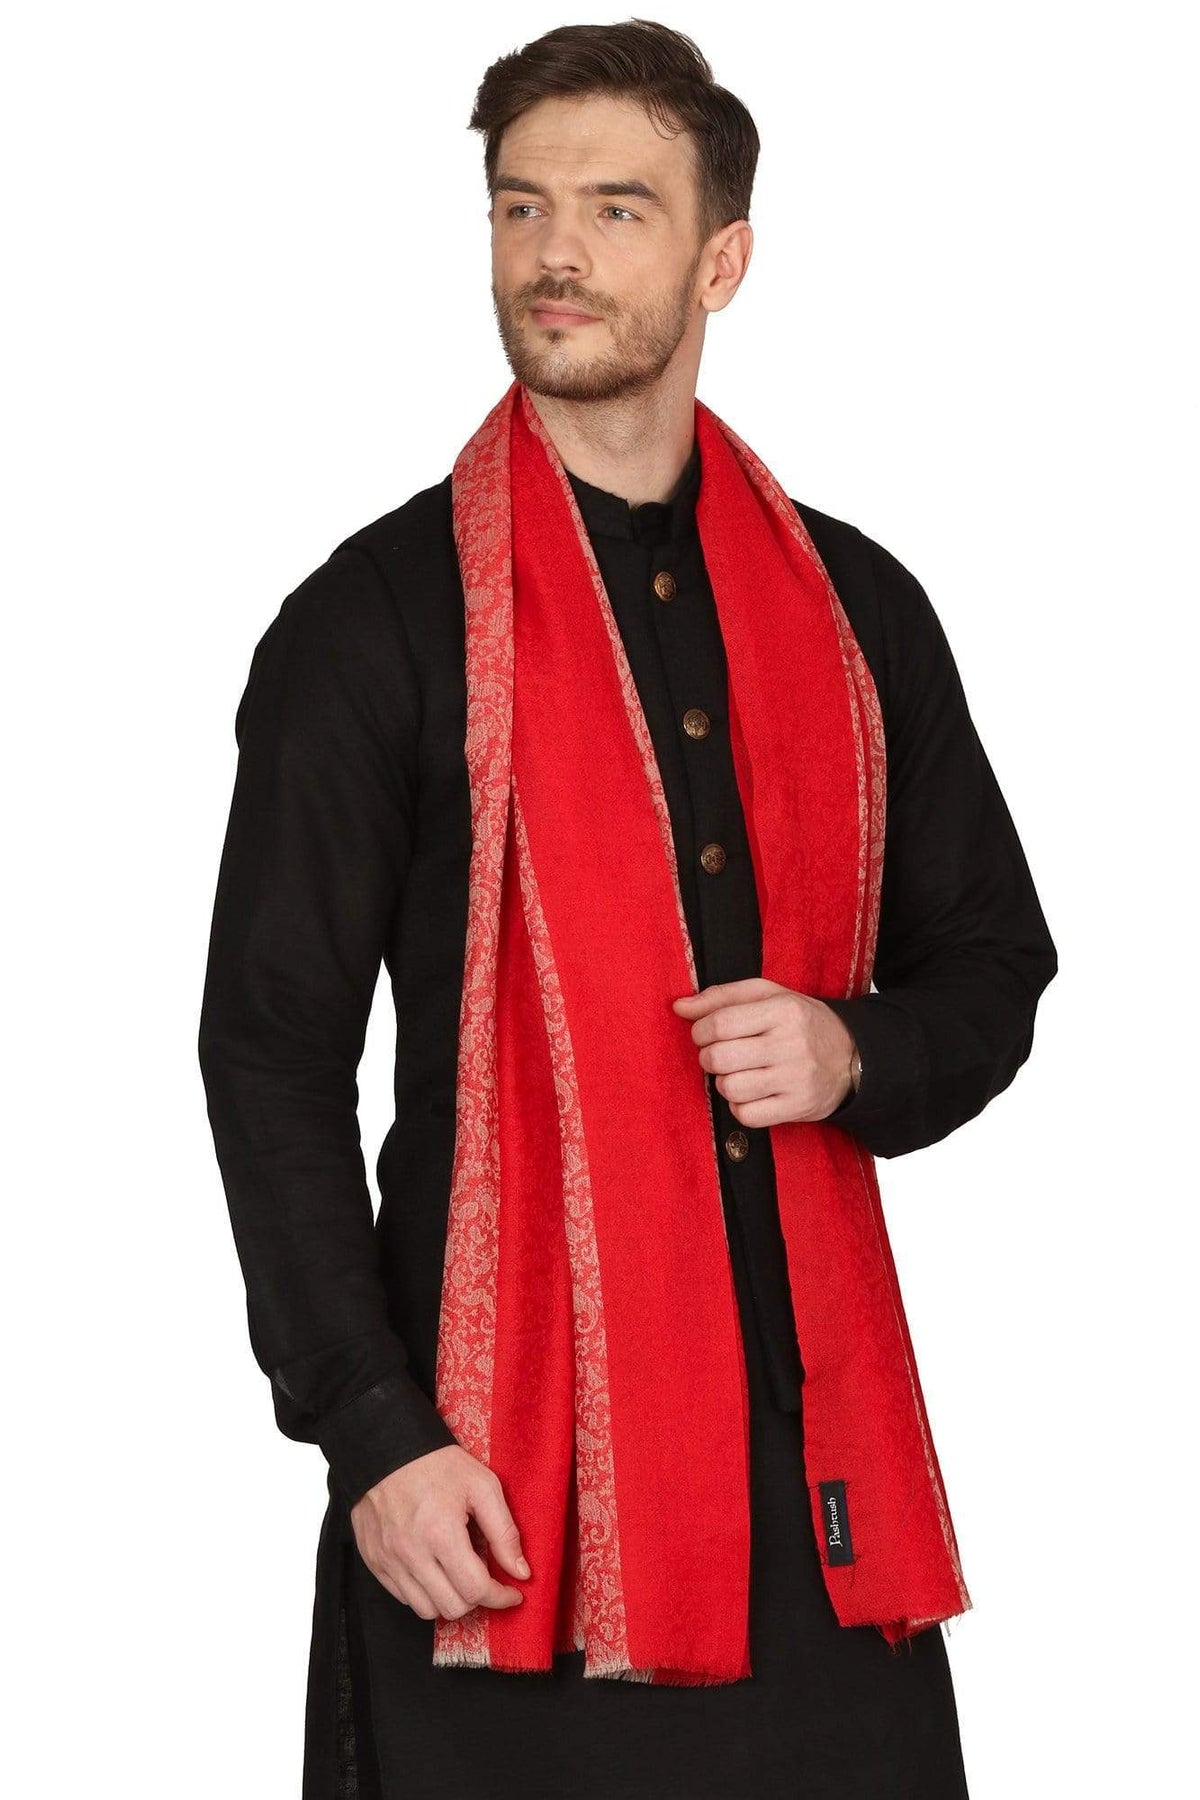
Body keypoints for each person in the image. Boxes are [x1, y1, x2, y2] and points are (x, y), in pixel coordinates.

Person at [198, 20, 1057, 1798]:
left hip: (818, 1508)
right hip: (494, 1505)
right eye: (521, 207)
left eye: (614, 208)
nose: (555, 254)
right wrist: (374, 1436)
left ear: (723, 259)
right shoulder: (377, 624)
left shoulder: (855, 611)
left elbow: (992, 960)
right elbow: (269, 1055)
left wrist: (854, 1050)